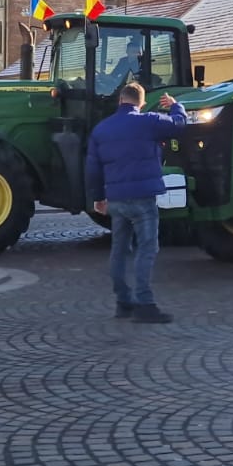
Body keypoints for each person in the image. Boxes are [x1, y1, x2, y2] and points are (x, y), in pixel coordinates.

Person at [85, 83, 185, 324]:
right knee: (147, 249)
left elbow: (92, 168)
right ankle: (145, 304)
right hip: (142, 199)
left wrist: (98, 198)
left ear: (120, 100)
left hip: (117, 200)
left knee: (119, 249)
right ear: (140, 103)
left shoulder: (101, 130)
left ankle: (123, 302)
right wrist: (175, 106)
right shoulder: (148, 121)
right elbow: (179, 126)